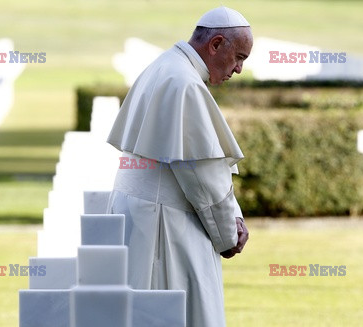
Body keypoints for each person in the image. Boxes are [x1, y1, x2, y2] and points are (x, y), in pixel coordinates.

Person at [106, 6, 253, 327]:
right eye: (239, 56)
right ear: (216, 44)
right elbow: (203, 174)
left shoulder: (166, 67)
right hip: (166, 227)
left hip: (141, 217)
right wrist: (229, 234)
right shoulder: (184, 83)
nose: (239, 69)